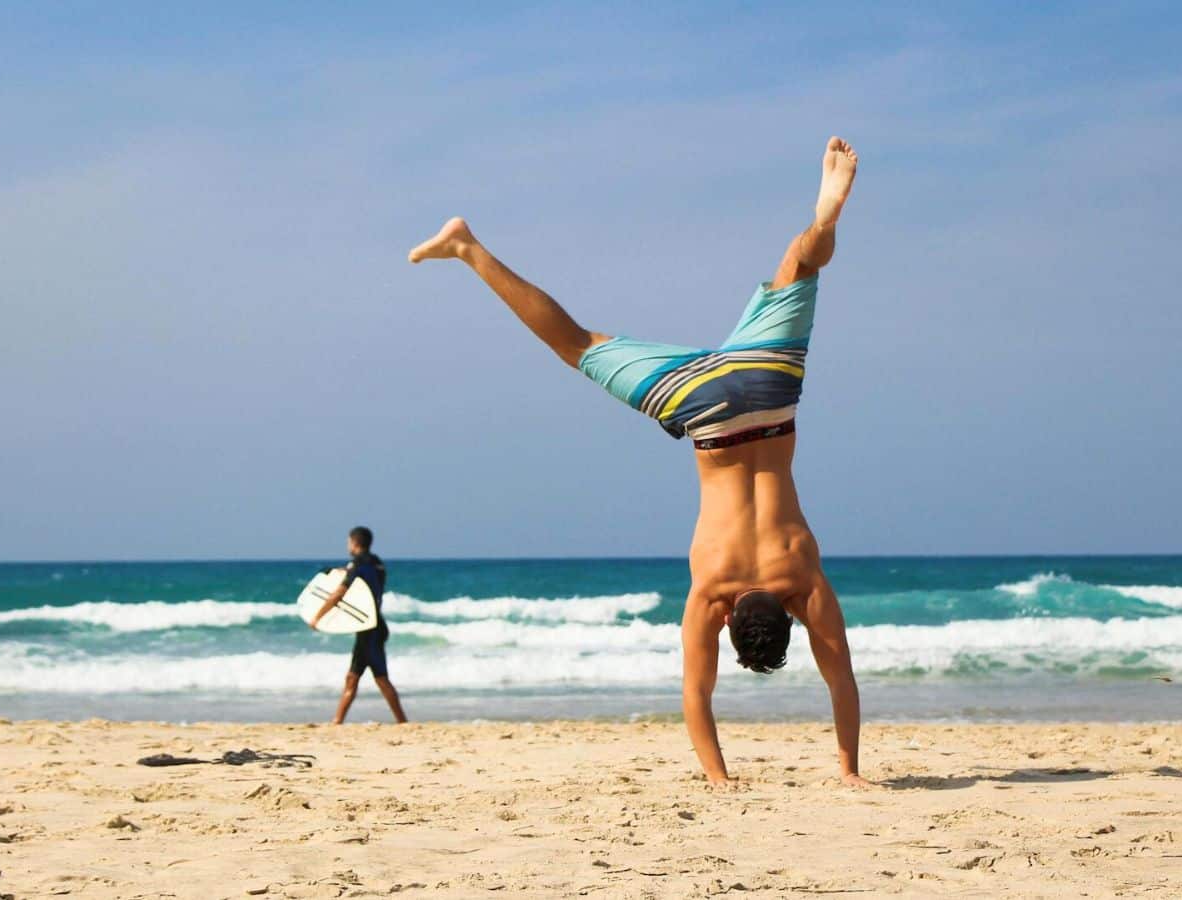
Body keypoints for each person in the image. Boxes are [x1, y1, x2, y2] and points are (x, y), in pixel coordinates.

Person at [408, 137, 868, 787]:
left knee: (801, 263)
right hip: (703, 413)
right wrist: (719, 777)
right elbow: (697, 695)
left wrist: (850, 769)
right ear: (732, 621)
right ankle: (467, 248)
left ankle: (822, 221)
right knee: (577, 345)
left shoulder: (804, 579)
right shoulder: (714, 591)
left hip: (767, 391)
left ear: (785, 618)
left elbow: (842, 678)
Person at [309, 526, 408, 724]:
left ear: (354, 543)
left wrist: (317, 617)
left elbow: (340, 593)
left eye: (348, 542)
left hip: (369, 630)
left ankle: (402, 722)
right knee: (353, 677)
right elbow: (365, 580)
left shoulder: (358, 565)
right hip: (374, 626)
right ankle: (337, 721)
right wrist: (343, 570)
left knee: (380, 678)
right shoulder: (377, 564)